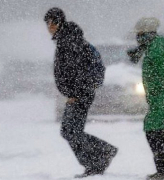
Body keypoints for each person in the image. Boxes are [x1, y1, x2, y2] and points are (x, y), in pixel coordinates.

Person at [44, 7, 118, 178]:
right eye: (47, 23)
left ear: (59, 22)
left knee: (70, 131)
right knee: (71, 131)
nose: (49, 26)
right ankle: (98, 159)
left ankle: (101, 155)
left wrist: (76, 93)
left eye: (52, 22)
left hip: (80, 94)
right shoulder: (67, 39)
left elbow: (77, 70)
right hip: (79, 93)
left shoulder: (69, 41)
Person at [127, 17, 164, 180]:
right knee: (155, 131)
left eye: (139, 33)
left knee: (154, 132)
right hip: (157, 100)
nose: (137, 37)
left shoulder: (156, 49)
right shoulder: (153, 46)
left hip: (160, 100)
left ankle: (162, 171)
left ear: (146, 33)